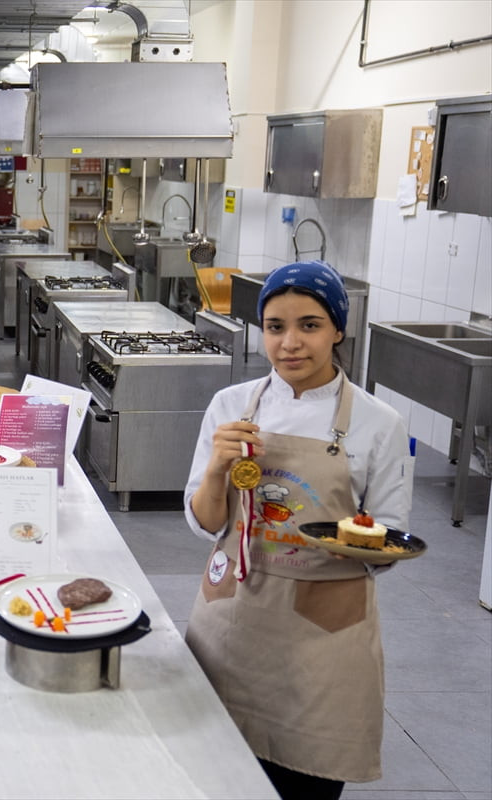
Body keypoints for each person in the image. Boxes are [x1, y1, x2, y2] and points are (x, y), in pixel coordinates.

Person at [183, 260, 412, 800]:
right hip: (234, 617)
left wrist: (347, 538)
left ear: (338, 329)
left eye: (309, 325)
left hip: (324, 636)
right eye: (275, 326)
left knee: (305, 782)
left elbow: (391, 535)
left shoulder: (380, 423)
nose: (290, 343)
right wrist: (218, 468)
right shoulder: (231, 407)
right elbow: (205, 524)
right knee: (217, 776)